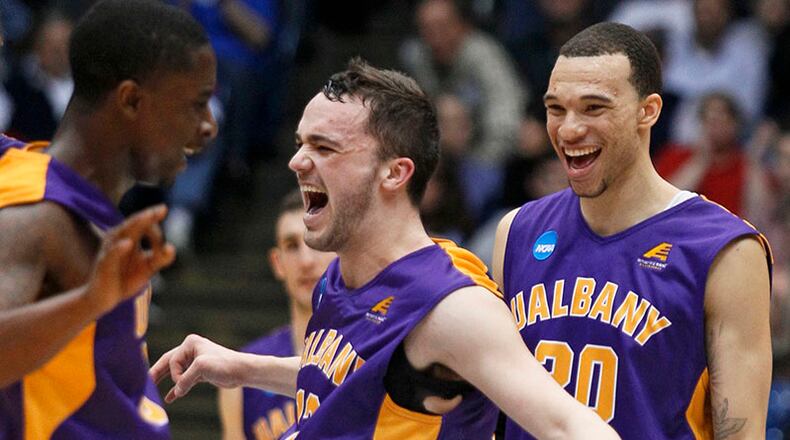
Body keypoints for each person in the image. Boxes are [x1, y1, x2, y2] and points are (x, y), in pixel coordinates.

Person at [152, 58, 618, 439]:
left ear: (394, 173)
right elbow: (355, 376)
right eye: (299, 143)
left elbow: (571, 427)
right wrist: (245, 368)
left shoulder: (452, 308)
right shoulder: (342, 273)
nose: (296, 161)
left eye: (325, 147)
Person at [492, 22, 773, 439]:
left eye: (593, 108)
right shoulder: (516, 231)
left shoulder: (725, 249)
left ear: (649, 111)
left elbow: (742, 432)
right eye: (556, 109)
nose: (569, 129)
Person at [0, 0, 217, 438]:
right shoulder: (38, 212)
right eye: (195, 104)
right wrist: (89, 303)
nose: (209, 125)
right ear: (131, 100)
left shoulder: (80, 208)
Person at [217, 189, 335, 440]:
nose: (306, 261)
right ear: (277, 263)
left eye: (316, 243)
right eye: (292, 246)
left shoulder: (371, 350)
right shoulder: (241, 372)